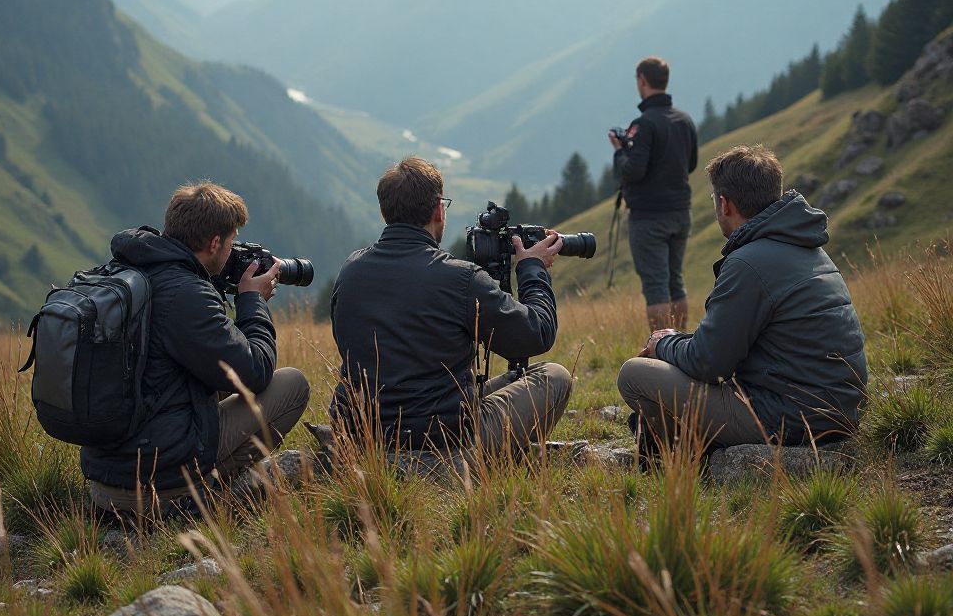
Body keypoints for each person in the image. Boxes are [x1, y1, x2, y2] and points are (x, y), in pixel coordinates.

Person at [617, 145, 867, 450]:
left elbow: (709, 363)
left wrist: (662, 344)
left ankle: (682, 452)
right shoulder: (806, 246)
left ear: (724, 204)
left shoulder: (749, 263)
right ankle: (678, 445)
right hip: (838, 411)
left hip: (792, 419)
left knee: (634, 374)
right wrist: (679, 342)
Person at [82, 182, 311, 513]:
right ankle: (202, 494)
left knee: (211, 383)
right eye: (231, 242)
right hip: (150, 492)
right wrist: (252, 301)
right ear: (214, 242)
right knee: (292, 385)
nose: (233, 250)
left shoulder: (133, 270)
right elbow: (255, 371)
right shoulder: (185, 294)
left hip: (105, 478)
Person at [329, 157, 572, 454]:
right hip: (442, 439)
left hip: (362, 433)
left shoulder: (350, 271)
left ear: (384, 212)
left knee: (511, 379)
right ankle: (488, 461)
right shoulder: (460, 278)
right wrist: (532, 269)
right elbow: (536, 334)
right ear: (438, 210)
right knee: (554, 376)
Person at [609, 56, 698, 331]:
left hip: (649, 217)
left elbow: (633, 171)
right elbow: (691, 164)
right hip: (681, 212)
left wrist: (620, 152)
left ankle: (661, 348)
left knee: (656, 285)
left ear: (642, 80)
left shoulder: (644, 124)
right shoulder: (684, 120)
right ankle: (681, 342)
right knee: (675, 280)